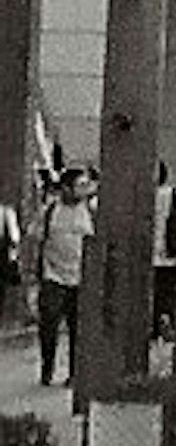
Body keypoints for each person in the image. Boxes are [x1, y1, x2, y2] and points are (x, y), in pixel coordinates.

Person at [32, 164, 90, 392]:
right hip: (53, 276)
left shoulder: (91, 211)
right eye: (80, 185)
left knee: (79, 328)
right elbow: (35, 239)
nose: (85, 190)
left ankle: (75, 374)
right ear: (66, 188)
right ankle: (47, 368)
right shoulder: (50, 211)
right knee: (49, 324)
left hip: (81, 278)